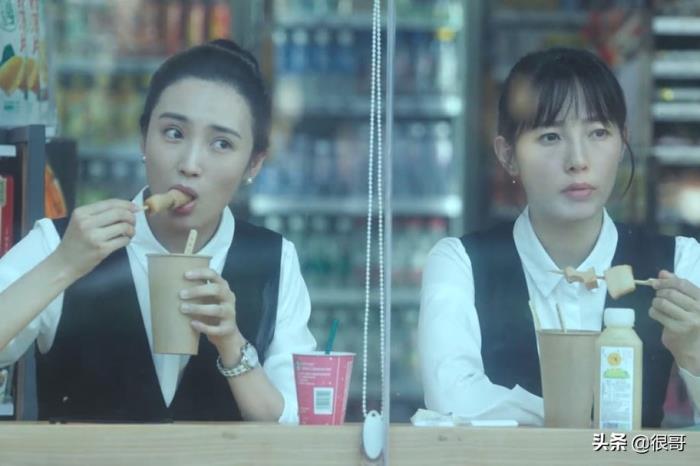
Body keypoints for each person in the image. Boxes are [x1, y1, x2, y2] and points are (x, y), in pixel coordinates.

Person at [0, 39, 316, 423]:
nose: (190, 164)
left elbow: (297, 425)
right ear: (143, 139)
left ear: (254, 164)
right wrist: (63, 266)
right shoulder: (64, 241)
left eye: (221, 143)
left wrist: (232, 343)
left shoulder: (274, 260)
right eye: (173, 133)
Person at [418, 47, 700, 427]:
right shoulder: (460, 263)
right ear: (507, 155)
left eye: (598, 133)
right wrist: (573, 423)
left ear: (623, 142)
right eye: (550, 137)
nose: (578, 160)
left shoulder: (679, 262)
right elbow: (452, 398)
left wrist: (694, 352)